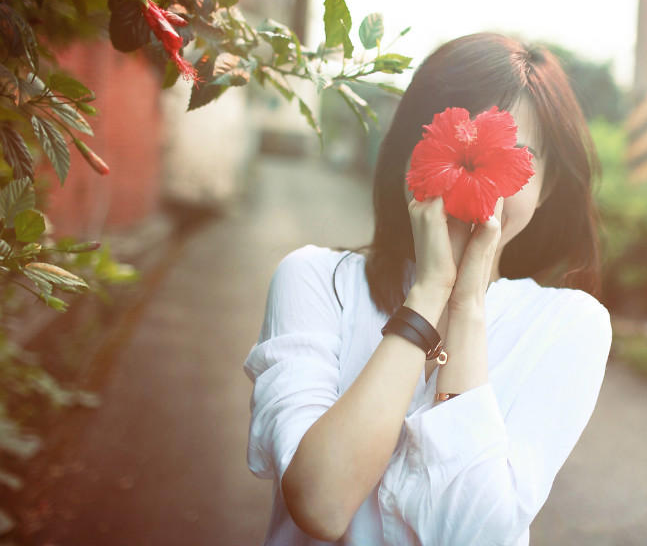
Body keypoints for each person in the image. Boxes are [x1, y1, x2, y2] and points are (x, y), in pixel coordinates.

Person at [243, 32, 612, 546]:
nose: (476, 181)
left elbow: (474, 534)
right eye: (466, 152)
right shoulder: (315, 280)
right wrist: (431, 291)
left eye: (512, 156)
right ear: (410, 160)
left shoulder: (569, 325)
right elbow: (321, 504)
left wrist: (468, 306)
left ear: (547, 186)